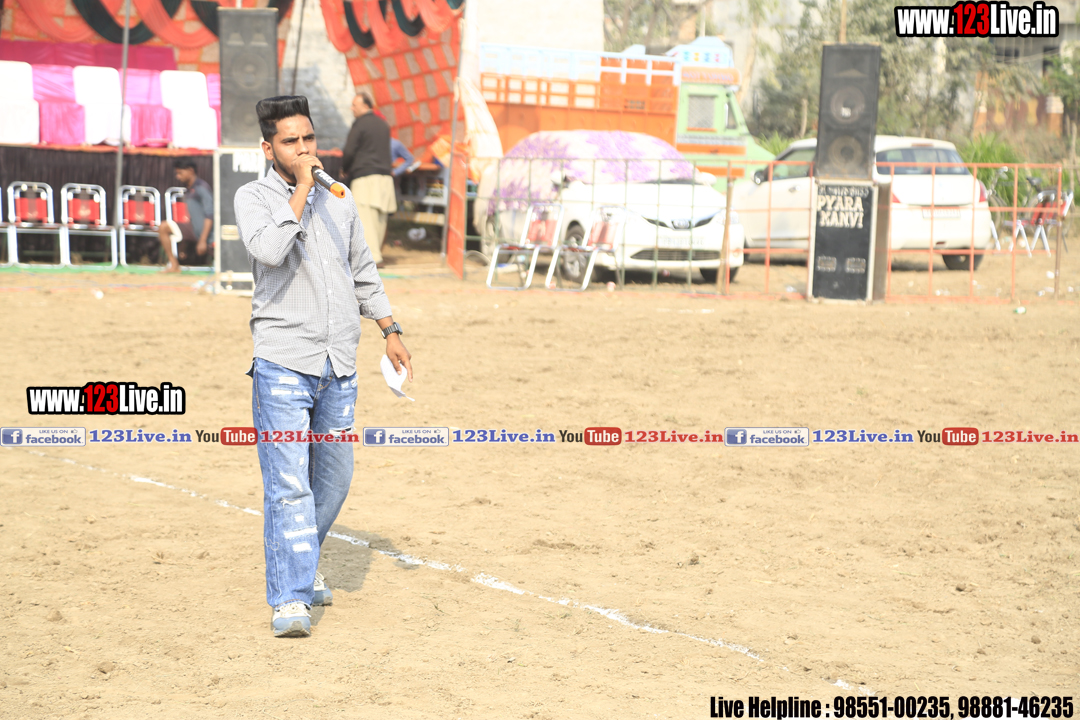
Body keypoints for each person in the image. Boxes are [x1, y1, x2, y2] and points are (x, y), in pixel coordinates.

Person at [233, 95, 414, 638]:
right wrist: (302, 190)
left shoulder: (341, 198)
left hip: (339, 362)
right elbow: (269, 250)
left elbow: (363, 269)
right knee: (289, 486)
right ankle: (290, 597)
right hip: (283, 363)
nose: (304, 148)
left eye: (308, 138)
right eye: (290, 141)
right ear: (269, 149)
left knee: (334, 480)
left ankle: (300, 562)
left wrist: (390, 329)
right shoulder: (253, 197)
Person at [342, 92, 395, 266]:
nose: (352, 108)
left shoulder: (360, 124)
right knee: (379, 220)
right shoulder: (383, 125)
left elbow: (349, 150)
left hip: (365, 178)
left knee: (365, 220)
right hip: (385, 178)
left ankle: (372, 258)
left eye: (354, 105)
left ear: (365, 106)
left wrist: (344, 168)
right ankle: (376, 254)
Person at [159, 159, 213, 272]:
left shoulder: (201, 187)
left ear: (190, 171)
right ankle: (174, 265)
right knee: (163, 227)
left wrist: (203, 240)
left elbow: (210, 214)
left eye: (180, 173)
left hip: (208, 234)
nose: (178, 177)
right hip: (193, 229)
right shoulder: (189, 188)